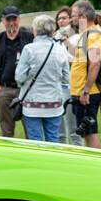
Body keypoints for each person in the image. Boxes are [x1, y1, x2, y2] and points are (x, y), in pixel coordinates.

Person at [15, 14, 71, 143]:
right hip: (54, 105)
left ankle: (38, 163)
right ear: (52, 31)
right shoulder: (60, 50)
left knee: (36, 141)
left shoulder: (28, 49)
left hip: (32, 105)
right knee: (53, 139)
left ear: (35, 31)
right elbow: (66, 78)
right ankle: (53, 163)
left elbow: (19, 77)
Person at [0, 5, 33, 137]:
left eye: (14, 19)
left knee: (30, 128)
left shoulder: (29, 37)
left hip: (25, 90)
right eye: (8, 19)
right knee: (6, 129)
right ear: (3, 21)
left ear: (19, 19)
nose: (11, 22)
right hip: (5, 89)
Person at [68, 0, 101, 149]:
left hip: (87, 93)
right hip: (81, 92)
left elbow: (95, 63)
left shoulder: (94, 35)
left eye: (73, 15)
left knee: (90, 132)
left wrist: (86, 90)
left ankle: (97, 166)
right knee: (86, 132)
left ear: (83, 16)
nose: (71, 18)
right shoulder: (85, 34)